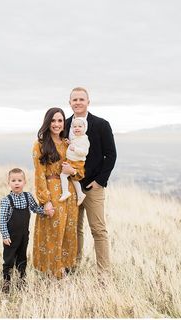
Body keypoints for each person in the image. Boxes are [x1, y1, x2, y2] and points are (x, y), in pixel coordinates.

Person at [66, 87, 117, 278]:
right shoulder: (64, 124)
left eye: (81, 99)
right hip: (71, 186)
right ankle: (73, 268)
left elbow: (111, 155)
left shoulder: (101, 124)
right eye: (74, 100)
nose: (78, 102)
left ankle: (104, 273)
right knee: (73, 229)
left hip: (92, 187)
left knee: (98, 230)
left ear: (88, 102)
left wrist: (99, 181)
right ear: (69, 102)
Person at [32, 107, 85, 279]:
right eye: (53, 120)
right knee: (53, 230)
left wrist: (73, 171)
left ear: (64, 123)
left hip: (69, 191)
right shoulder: (39, 145)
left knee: (68, 231)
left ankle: (64, 269)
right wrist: (45, 200)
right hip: (52, 192)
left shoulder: (68, 143)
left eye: (60, 120)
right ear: (48, 122)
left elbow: (79, 169)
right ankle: (52, 270)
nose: (56, 124)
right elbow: (39, 174)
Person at [0, 168, 54, 293]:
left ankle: (21, 280)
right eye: (13, 180)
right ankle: (6, 281)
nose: (16, 183)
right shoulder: (6, 200)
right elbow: (2, 220)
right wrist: (5, 235)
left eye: (19, 180)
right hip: (11, 236)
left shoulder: (28, 196)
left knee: (22, 258)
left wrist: (45, 212)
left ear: (24, 182)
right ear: (9, 183)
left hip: (24, 235)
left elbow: (35, 208)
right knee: (9, 259)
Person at [59, 117, 90, 206]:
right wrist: (70, 143)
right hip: (71, 160)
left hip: (76, 162)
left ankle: (65, 192)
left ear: (85, 128)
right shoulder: (76, 138)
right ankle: (80, 194)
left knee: (63, 175)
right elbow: (74, 145)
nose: (77, 128)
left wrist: (75, 148)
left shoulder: (84, 139)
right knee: (73, 179)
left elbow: (85, 152)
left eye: (80, 126)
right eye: (74, 126)